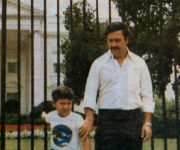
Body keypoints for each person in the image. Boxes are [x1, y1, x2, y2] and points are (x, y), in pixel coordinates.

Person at [79, 22, 155, 150]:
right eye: (110, 41)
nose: (113, 44)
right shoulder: (98, 64)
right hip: (107, 121)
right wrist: (89, 118)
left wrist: (147, 123)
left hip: (132, 120)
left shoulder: (139, 63)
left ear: (127, 39)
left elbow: (147, 95)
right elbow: (90, 93)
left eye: (117, 40)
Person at [41, 85, 91, 150]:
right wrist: (43, 114)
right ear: (54, 103)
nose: (66, 106)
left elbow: (85, 140)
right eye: (62, 103)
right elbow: (45, 117)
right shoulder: (52, 115)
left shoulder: (77, 118)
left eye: (69, 103)